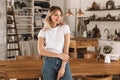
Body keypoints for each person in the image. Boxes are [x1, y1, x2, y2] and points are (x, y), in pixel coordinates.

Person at [37, 6, 73, 80]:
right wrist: (59, 55)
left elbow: (66, 50)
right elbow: (40, 51)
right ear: (50, 16)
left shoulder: (65, 28)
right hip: (49, 63)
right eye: (56, 15)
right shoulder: (43, 32)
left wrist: (62, 68)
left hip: (63, 62)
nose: (58, 17)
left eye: (60, 15)